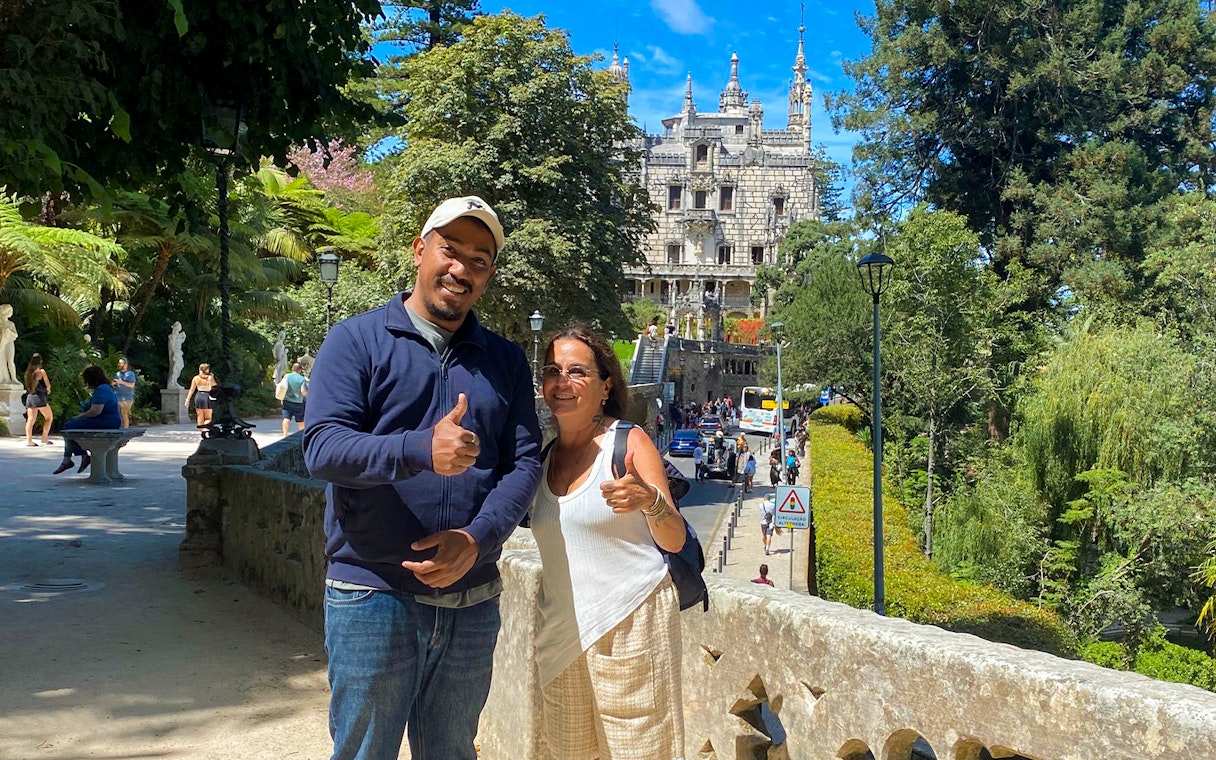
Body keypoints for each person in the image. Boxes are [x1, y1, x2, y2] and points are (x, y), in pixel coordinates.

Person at [301, 195, 542, 760]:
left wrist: (476, 540)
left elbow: (524, 464)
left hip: (472, 598)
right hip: (371, 592)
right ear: (420, 249)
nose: (461, 269)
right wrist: (417, 450)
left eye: (479, 260)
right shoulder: (355, 340)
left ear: (488, 276)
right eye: (450, 250)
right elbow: (322, 449)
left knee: (453, 752)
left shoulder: (504, 360)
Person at [530, 325, 687, 759]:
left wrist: (649, 499)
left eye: (577, 371)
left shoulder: (628, 442)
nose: (563, 382)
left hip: (631, 627)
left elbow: (673, 539)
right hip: (561, 638)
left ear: (605, 386)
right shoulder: (542, 458)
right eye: (553, 371)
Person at [53, 365, 121, 475]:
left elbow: (95, 411)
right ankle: (73, 458)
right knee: (71, 427)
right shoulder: (106, 388)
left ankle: (74, 458)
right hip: (111, 420)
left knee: (68, 426)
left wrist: (80, 416)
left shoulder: (101, 389)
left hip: (105, 421)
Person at [23, 353, 52, 446]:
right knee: (49, 418)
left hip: (30, 397)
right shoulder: (41, 372)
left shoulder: (28, 373)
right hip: (40, 398)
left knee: (30, 420)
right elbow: (48, 385)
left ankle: (29, 441)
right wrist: (48, 389)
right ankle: (44, 438)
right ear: (40, 362)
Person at [184, 363, 217, 428]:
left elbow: (191, 390)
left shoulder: (196, 378)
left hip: (198, 396)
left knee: (199, 416)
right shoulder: (209, 378)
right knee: (208, 418)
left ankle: (202, 430)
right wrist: (212, 377)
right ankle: (206, 429)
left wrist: (187, 400)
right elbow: (214, 386)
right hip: (207, 396)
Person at [280, 362, 308, 435]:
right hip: (298, 403)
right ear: (300, 370)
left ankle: (285, 434)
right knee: (300, 420)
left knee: (286, 418)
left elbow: (282, 387)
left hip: (287, 401)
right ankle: (302, 435)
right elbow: (303, 391)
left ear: (292, 369)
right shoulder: (301, 379)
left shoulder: (287, 376)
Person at [112, 358, 137, 428]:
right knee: (117, 415)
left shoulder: (130, 374)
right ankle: (119, 429)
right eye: (118, 363)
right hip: (117, 397)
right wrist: (113, 383)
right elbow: (115, 383)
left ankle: (125, 431)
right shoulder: (117, 374)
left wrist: (121, 382)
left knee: (124, 415)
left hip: (127, 399)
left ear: (125, 365)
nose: (118, 365)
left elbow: (132, 385)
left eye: (120, 363)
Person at [0, 304, 17, 384]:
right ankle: (4, 377)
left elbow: (15, 335)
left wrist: (9, 332)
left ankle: (14, 378)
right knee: (2, 360)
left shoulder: (11, 324)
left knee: (10, 360)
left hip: (9, 343)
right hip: (2, 343)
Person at [167, 321, 185, 388]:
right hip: (175, 353)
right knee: (175, 367)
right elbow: (172, 346)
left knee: (180, 366)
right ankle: (172, 382)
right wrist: (174, 353)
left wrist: (183, 337)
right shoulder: (172, 336)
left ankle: (175, 381)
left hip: (179, 352)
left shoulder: (179, 335)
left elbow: (180, 342)